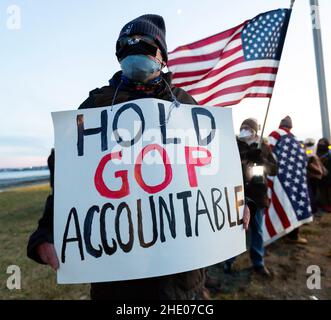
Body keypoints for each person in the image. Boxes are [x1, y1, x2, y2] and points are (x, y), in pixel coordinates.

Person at [27, 14, 249, 300]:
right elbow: (70, 178)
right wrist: (46, 232)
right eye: (127, 47)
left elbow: (214, 166)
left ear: (162, 57)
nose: (135, 53)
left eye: (144, 47)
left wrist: (239, 202)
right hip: (118, 276)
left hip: (180, 276)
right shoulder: (95, 106)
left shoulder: (183, 104)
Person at [223, 118, 277, 277]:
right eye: (243, 127)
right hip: (237, 194)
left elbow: (274, 170)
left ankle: (258, 262)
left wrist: (263, 160)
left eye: (248, 128)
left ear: (255, 131)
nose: (244, 130)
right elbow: (228, 164)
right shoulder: (234, 145)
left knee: (257, 230)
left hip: (257, 196)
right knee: (235, 230)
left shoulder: (264, 147)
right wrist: (247, 155)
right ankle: (228, 261)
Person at [274, 116, 308, 245]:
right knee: (295, 204)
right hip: (296, 180)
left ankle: (284, 232)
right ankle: (293, 236)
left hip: (281, 180)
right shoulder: (294, 140)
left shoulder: (276, 135)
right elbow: (304, 159)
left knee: (283, 206)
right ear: (291, 126)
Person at [304, 138, 326, 215]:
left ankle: (314, 208)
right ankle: (314, 209)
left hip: (314, 175)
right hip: (313, 175)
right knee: (313, 193)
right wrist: (319, 171)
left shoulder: (311, 150)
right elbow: (310, 162)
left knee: (314, 192)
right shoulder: (309, 151)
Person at [316, 138, 331, 212]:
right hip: (320, 176)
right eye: (320, 143)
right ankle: (325, 205)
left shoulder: (329, 152)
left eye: (323, 143)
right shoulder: (315, 153)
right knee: (322, 191)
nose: (321, 145)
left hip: (327, 175)